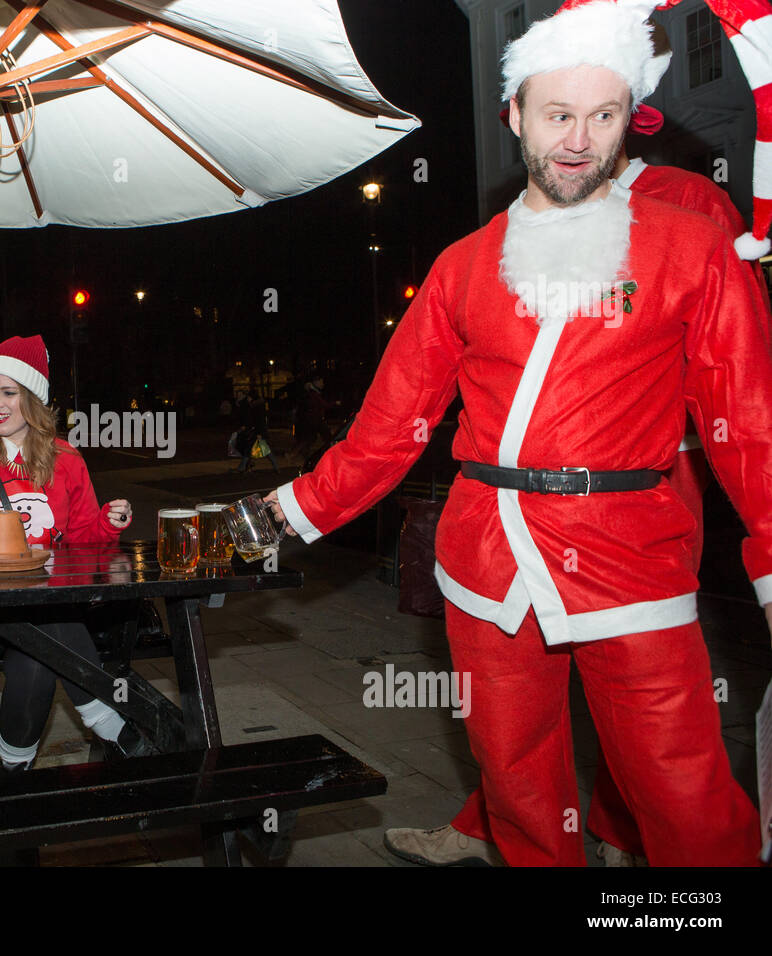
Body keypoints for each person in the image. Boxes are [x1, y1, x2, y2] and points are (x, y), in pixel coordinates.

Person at [266, 0, 767, 866]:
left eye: (602, 115)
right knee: (522, 797)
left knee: (687, 801)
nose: (578, 139)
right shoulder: (461, 265)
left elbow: (752, 430)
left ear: (629, 120)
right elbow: (390, 430)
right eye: (557, 115)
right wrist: (280, 516)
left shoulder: (693, 247)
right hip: (484, 561)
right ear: (515, 117)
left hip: (631, 559)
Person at [386, 144, 768, 868]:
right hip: (511, 513)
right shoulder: (510, 228)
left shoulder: (686, 200)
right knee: (513, 725)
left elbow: (740, 375)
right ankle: (502, 823)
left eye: (598, 101)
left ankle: (628, 838)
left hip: (646, 479)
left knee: (657, 740)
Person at [0, 335, 156, 770]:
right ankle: (104, 717)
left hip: (46, 609)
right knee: (45, 625)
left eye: (9, 392)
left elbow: (82, 539)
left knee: (37, 647)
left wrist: (107, 523)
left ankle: (14, 769)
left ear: (34, 399)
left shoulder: (66, 459)